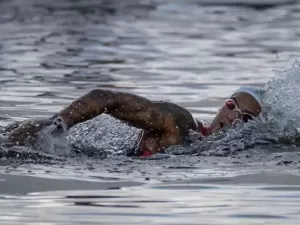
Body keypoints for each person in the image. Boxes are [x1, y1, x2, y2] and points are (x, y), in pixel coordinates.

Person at [5, 86, 262, 156]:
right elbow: (105, 97)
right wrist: (57, 127)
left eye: (246, 119)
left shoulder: (226, 154)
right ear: (222, 105)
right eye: (232, 106)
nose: (232, 119)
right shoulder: (180, 123)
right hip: (45, 150)